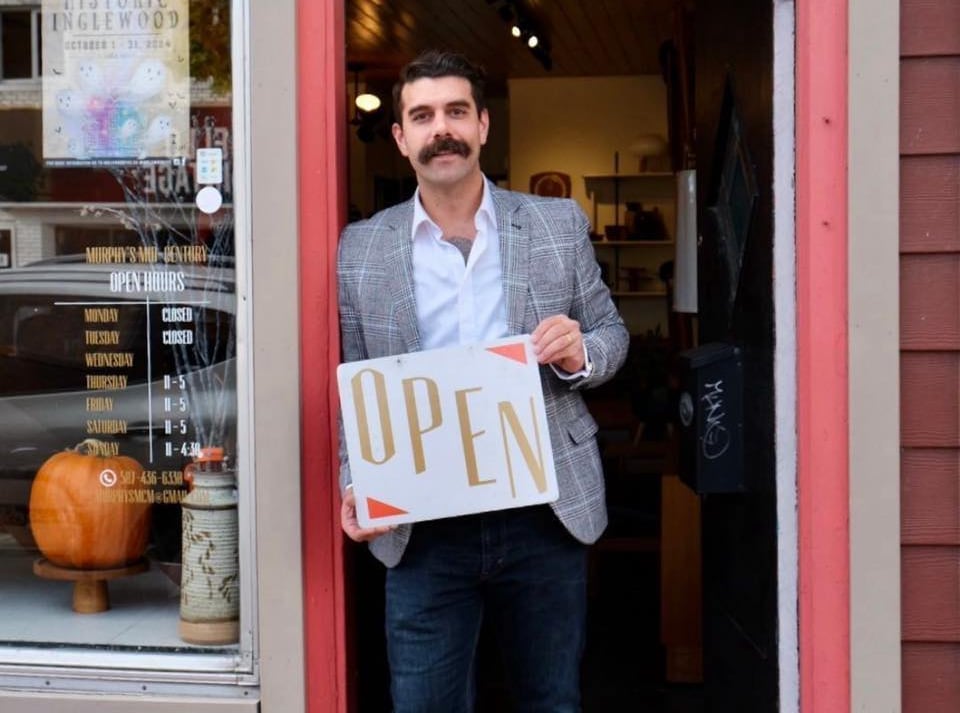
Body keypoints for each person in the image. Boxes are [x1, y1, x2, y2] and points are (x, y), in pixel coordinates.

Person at [337, 49, 629, 713]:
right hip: (422, 524)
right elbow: (351, 383)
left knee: (550, 700)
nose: (442, 128)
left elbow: (614, 337)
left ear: (483, 126)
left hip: (543, 513)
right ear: (401, 137)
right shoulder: (361, 249)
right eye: (423, 115)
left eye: (456, 112)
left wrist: (579, 351)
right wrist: (354, 477)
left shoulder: (556, 225)